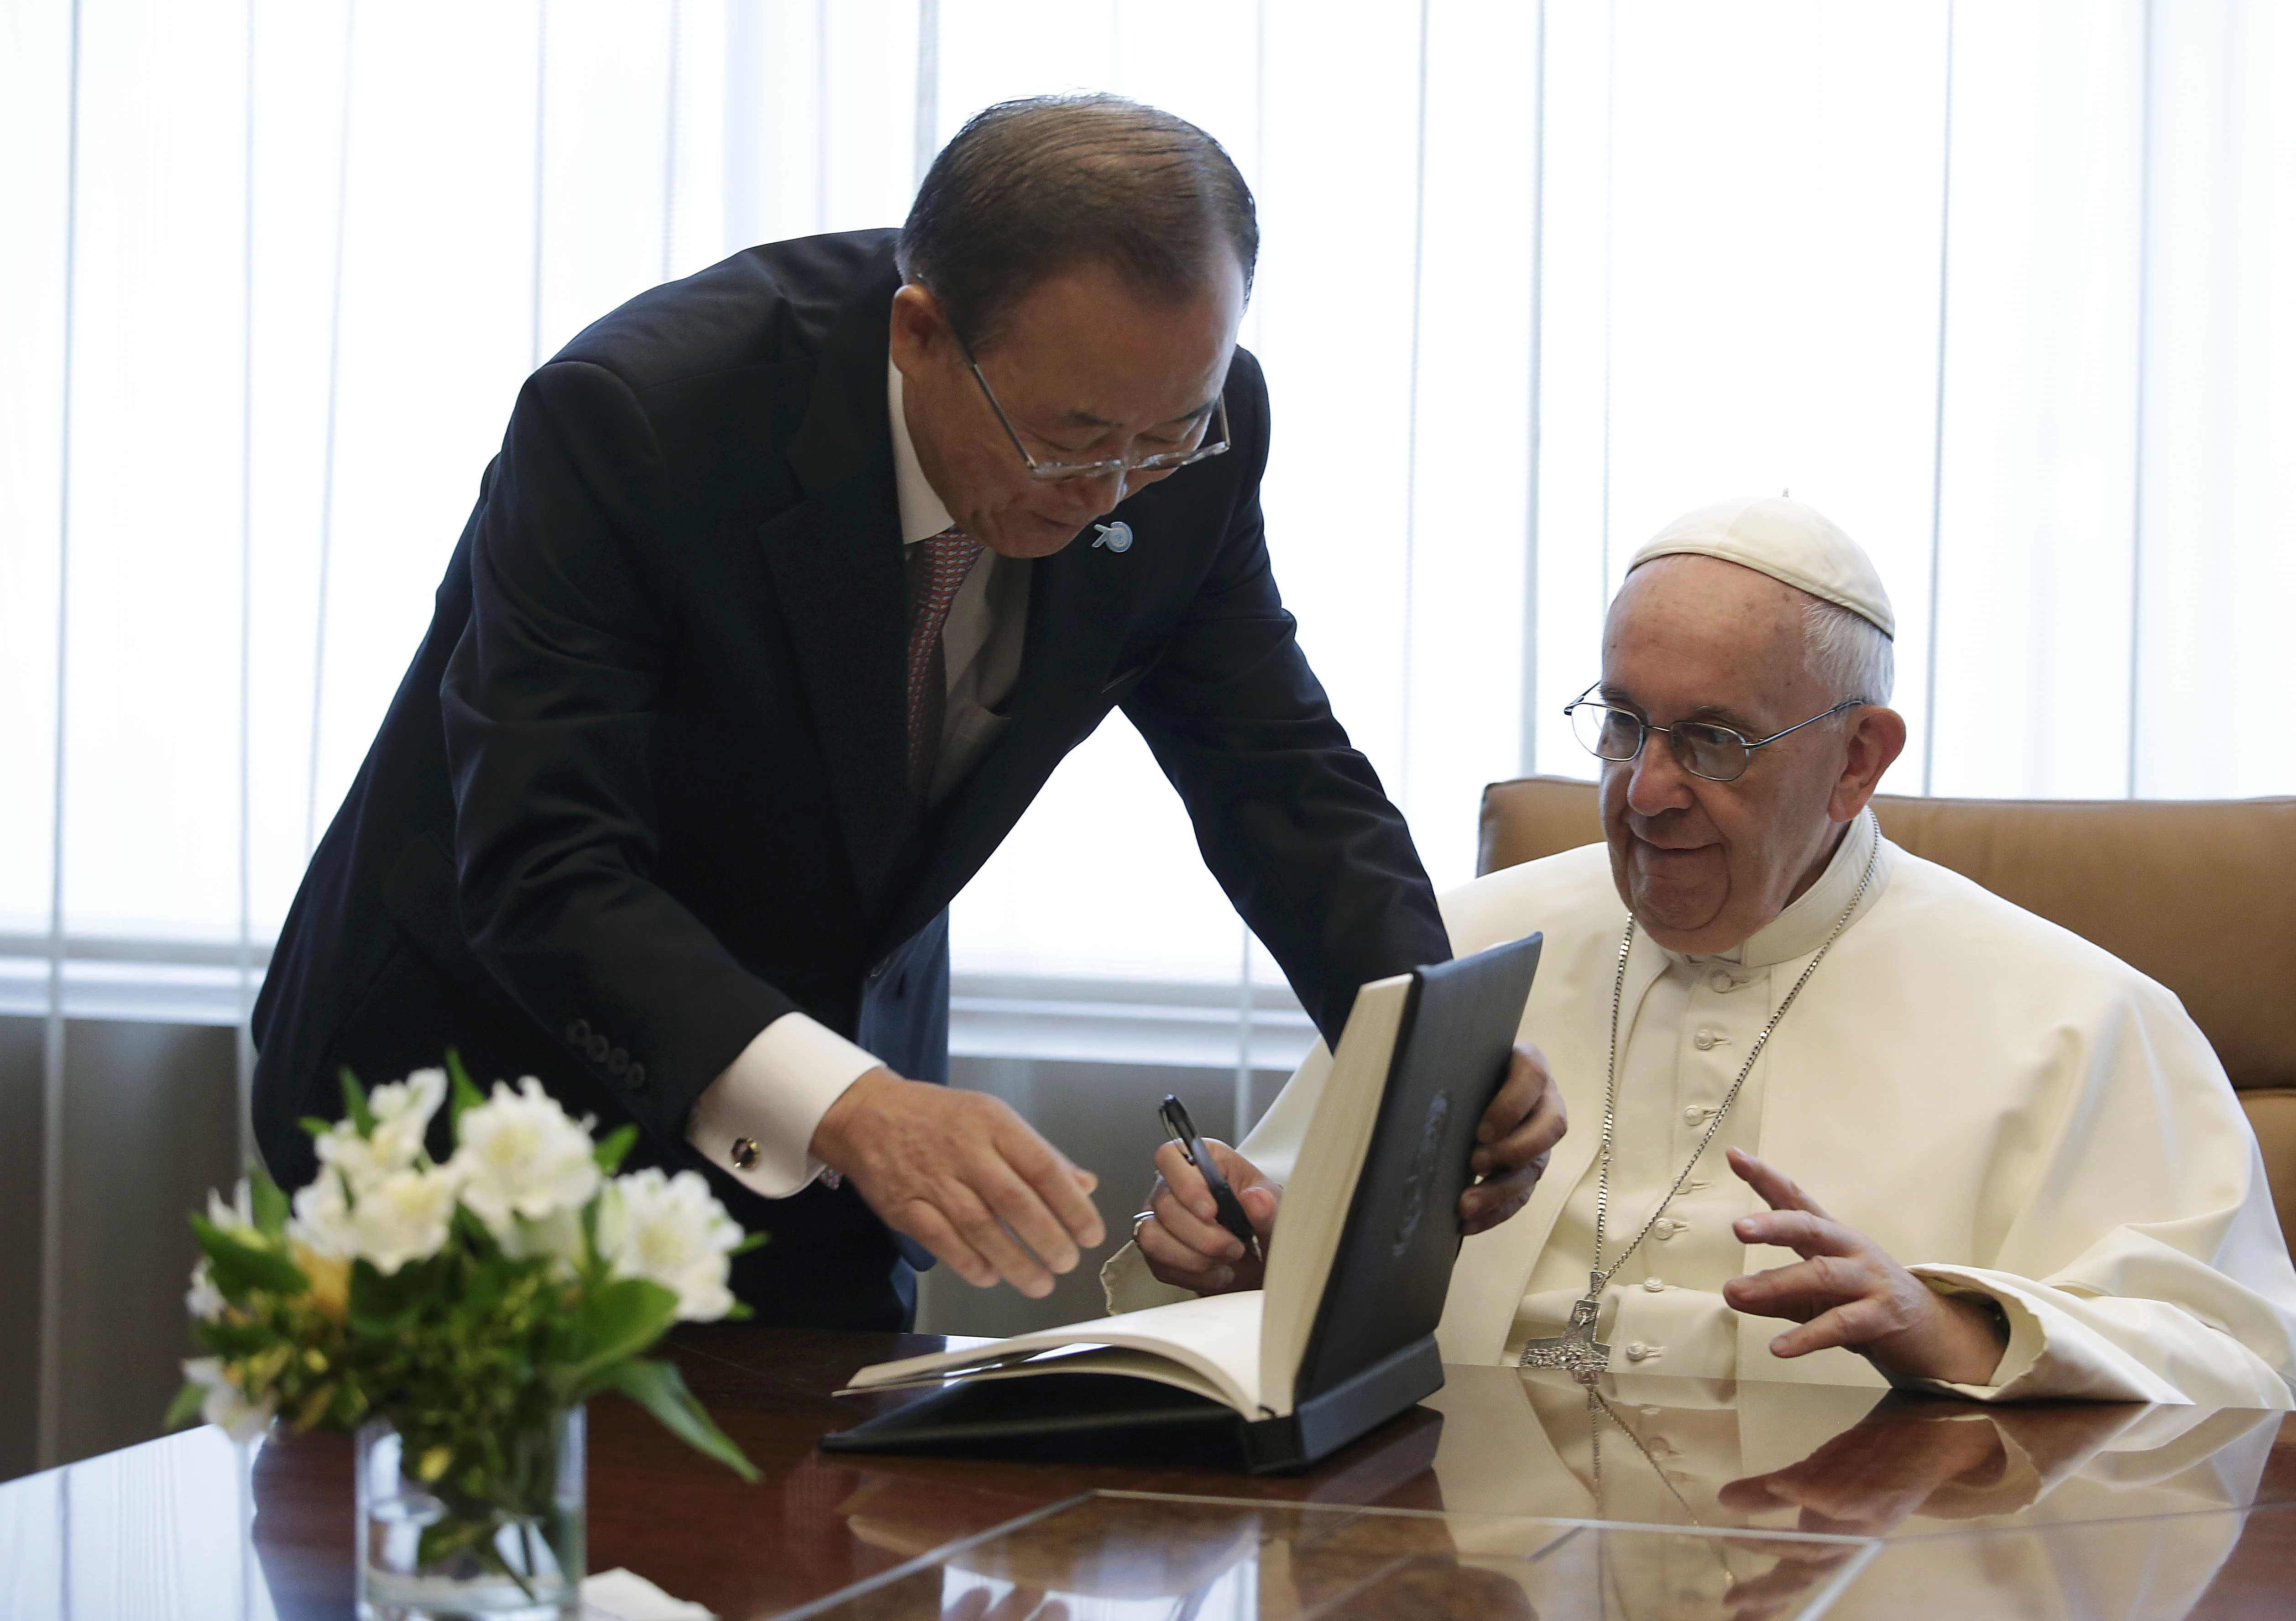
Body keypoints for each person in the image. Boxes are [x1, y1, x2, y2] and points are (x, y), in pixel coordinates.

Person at [252, 95, 1564, 1328]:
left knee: (842, 1541)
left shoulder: (1186, 438)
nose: (1113, 490)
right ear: (921, 335)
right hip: (485, 1099)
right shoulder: (644, 422)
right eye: (1069, 438)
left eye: (1166, 439)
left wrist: (1427, 1060)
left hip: (838, 1128)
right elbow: (548, 862)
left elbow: (1274, 769)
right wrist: (851, 1103)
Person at [1114, 496, 2296, 1409]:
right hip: (1458, 1576)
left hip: (1857, 1580)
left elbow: (2245, 1367)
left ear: (1857, 760)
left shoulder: (2077, 1016)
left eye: (1715, 742)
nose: (1645, 793)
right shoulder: (1464, 944)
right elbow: (1287, 1294)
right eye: (1624, 725)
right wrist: (1244, 1258)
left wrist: (1953, 1330)